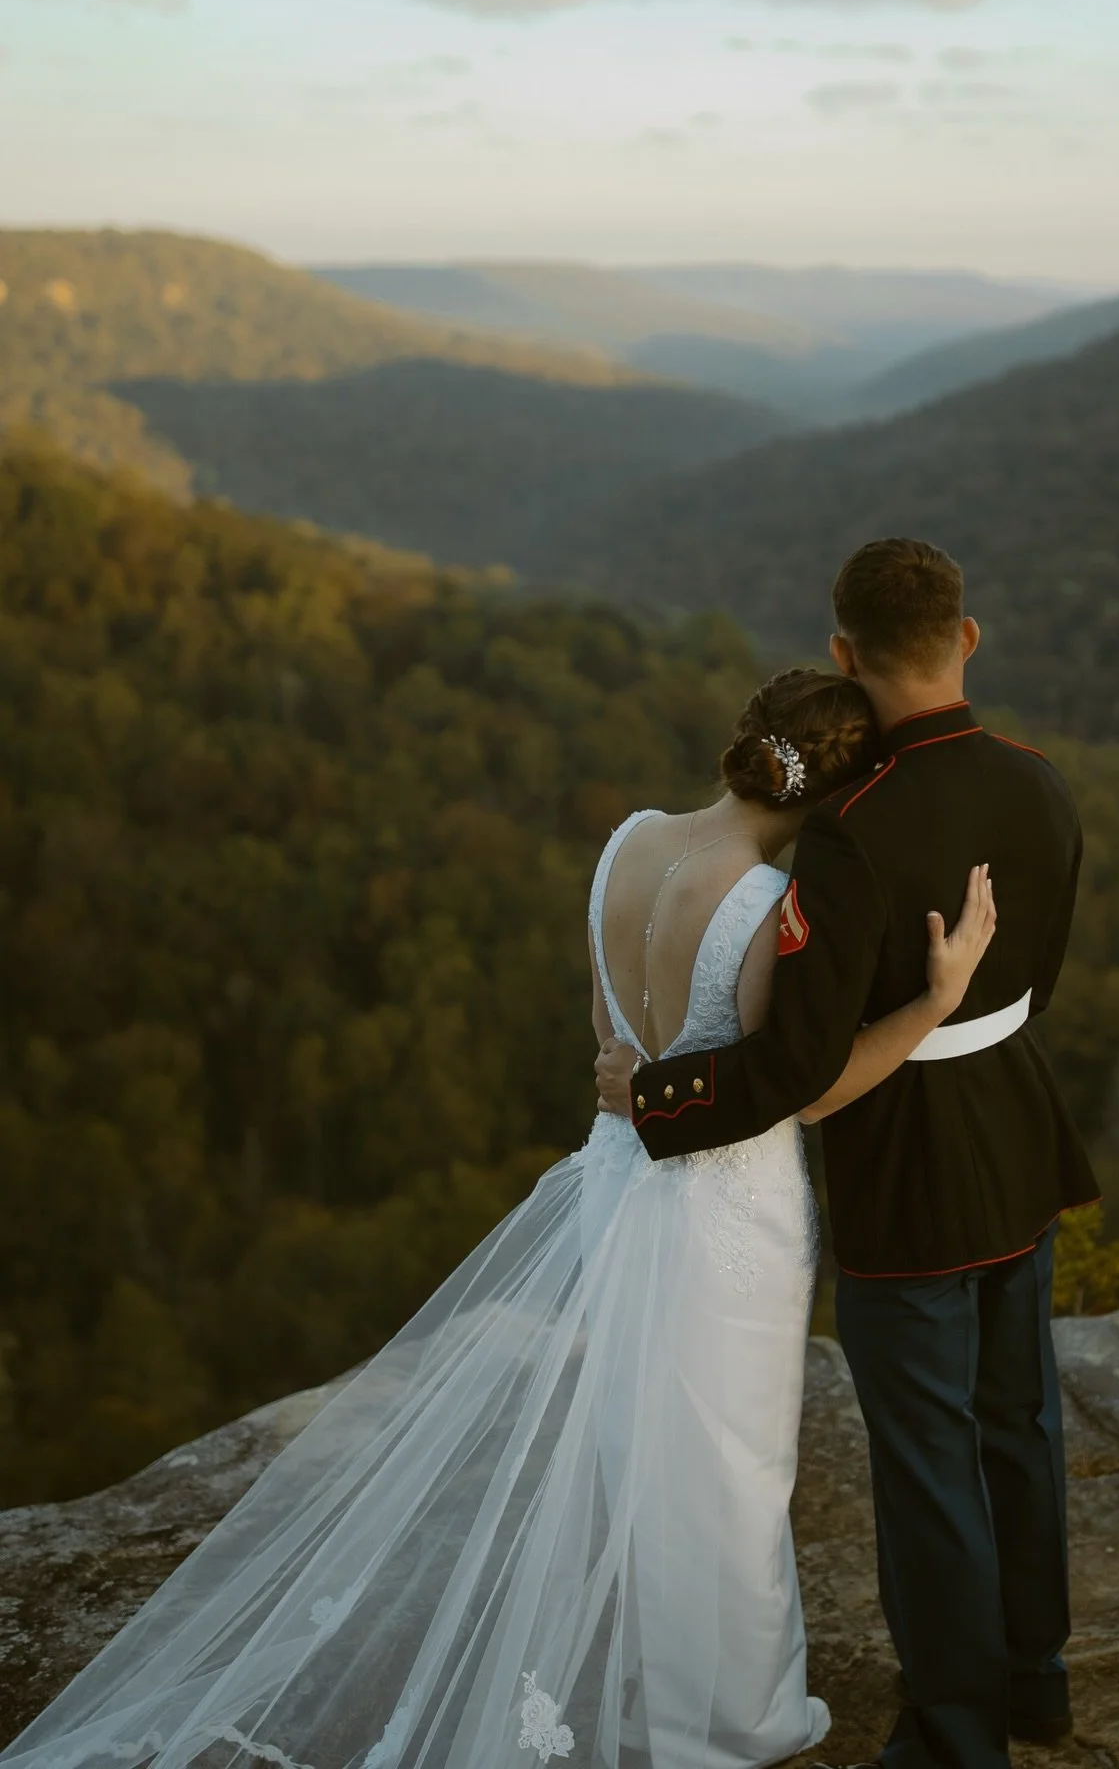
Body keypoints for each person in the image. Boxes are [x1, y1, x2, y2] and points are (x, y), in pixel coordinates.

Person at [0, 666, 996, 1769]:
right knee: (731, 1472)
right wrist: (935, 1000)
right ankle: (724, 1721)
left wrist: (641, 1080)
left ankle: (655, 1677)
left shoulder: (627, 844)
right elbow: (799, 1090)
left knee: (640, 1455)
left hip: (618, 1181)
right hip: (727, 1211)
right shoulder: (769, 906)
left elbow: (609, 1039)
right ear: (838, 791)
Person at [597, 539, 1101, 1769]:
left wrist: (654, 1098)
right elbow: (1039, 981)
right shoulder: (1041, 783)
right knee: (1020, 1420)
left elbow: (795, 1070)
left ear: (842, 652)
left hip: (906, 1164)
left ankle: (956, 1730)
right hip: (1020, 1132)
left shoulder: (849, 830)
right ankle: (1035, 1681)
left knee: (929, 1459)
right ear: (966, 637)